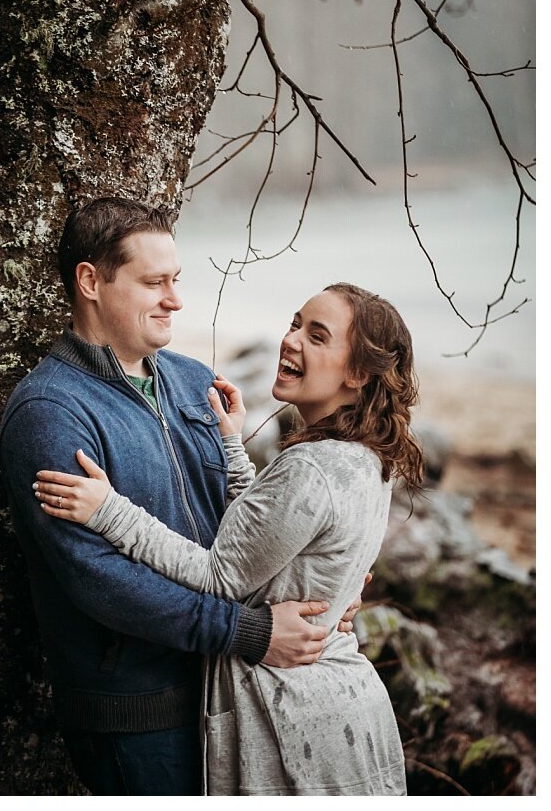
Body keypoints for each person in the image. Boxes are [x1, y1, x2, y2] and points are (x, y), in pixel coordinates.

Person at [0, 197, 355, 796]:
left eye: (176, 281)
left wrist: (324, 590)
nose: (175, 300)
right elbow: (99, 582)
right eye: (154, 283)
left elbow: (245, 525)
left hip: (229, 687)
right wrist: (251, 632)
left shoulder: (192, 380)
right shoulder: (51, 413)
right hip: (138, 712)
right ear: (90, 281)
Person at [32, 283, 414, 794]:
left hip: (294, 716)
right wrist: (233, 445)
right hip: (344, 699)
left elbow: (221, 573)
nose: (291, 340)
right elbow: (266, 532)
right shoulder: (366, 458)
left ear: (358, 374)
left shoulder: (311, 467)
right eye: (295, 323)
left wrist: (110, 512)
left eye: (317, 336)